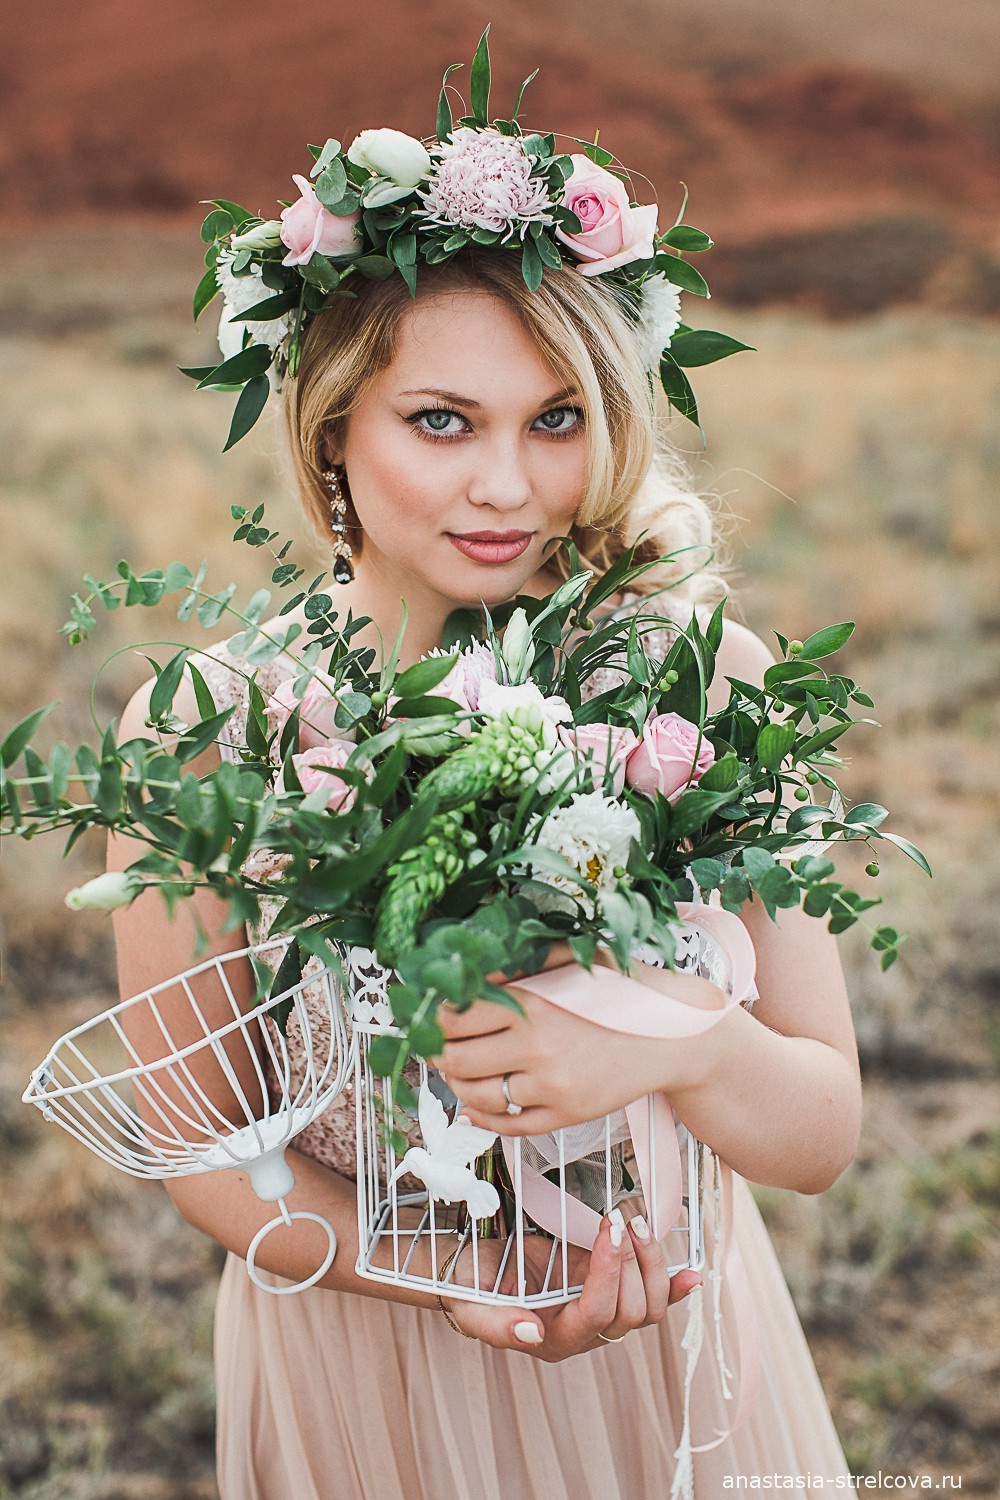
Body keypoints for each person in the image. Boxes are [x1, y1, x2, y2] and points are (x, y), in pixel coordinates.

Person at [106, 106, 860, 1500]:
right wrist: (478, 1275)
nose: (509, 486)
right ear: (332, 430)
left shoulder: (706, 681)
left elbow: (818, 1132)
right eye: (441, 422)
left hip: (676, 1362)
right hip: (365, 1373)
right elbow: (206, 1157)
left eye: (558, 419)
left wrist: (686, 1049)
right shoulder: (209, 736)